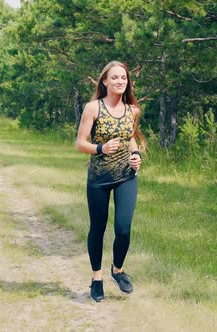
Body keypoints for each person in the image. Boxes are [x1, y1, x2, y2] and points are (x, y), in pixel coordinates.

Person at [76, 61, 146, 302]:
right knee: (98, 228)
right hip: (99, 178)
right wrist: (100, 148)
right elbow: (80, 143)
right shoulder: (93, 108)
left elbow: (130, 139)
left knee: (124, 229)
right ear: (104, 81)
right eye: (115, 77)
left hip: (126, 176)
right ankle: (96, 278)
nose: (120, 81)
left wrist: (135, 156)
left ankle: (117, 270)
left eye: (123, 78)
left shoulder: (133, 110)